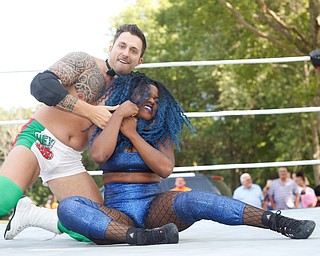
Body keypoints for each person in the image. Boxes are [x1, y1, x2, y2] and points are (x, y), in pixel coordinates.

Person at [54, 73, 315, 244]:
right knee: (68, 208)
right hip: (118, 215)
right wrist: (119, 117)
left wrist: (134, 136)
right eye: (146, 95)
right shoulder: (104, 124)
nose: (152, 101)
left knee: (194, 198)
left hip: (154, 207)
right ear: (129, 95)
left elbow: (165, 169)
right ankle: (139, 237)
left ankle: (276, 221)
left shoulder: (160, 132)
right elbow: (99, 155)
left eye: (156, 99)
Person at [2, 24, 180, 246]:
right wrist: (89, 111)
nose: (126, 53)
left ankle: (32, 215)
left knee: (100, 226)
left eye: (133, 50)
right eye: (122, 46)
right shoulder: (84, 62)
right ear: (111, 47)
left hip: (69, 161)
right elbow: (40, 86)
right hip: (40, 139)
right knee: (4, 199)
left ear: (140, 60)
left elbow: (156, 111)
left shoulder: (134, 89)